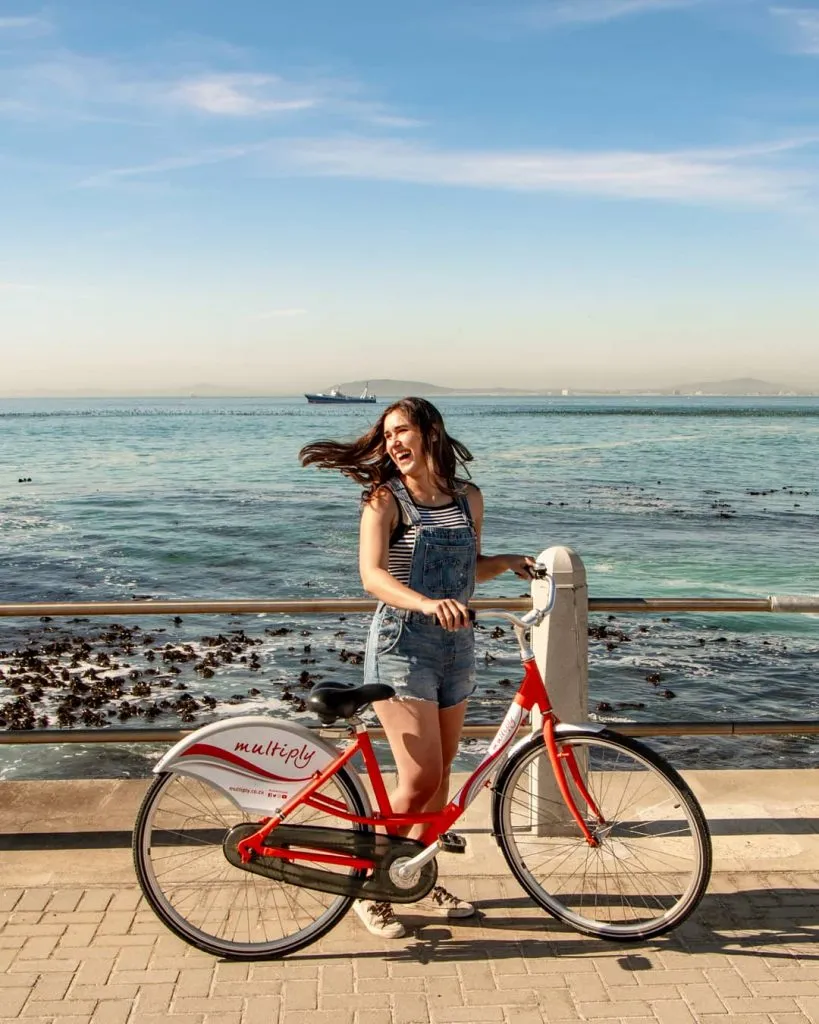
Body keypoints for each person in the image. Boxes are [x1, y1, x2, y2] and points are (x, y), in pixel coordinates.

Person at [299, 397, 534, 938]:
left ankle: (417, 875)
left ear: (431, 433)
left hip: (456, 646)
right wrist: (427, 603)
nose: (394, 443)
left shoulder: (466, 497)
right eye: (387, 435)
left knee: (442, 773)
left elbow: (469, 566)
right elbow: (373, 577)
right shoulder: (386, 500)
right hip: (402, 644)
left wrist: (509, 562)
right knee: (420, 774)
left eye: (402, 431)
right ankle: (368, 885)